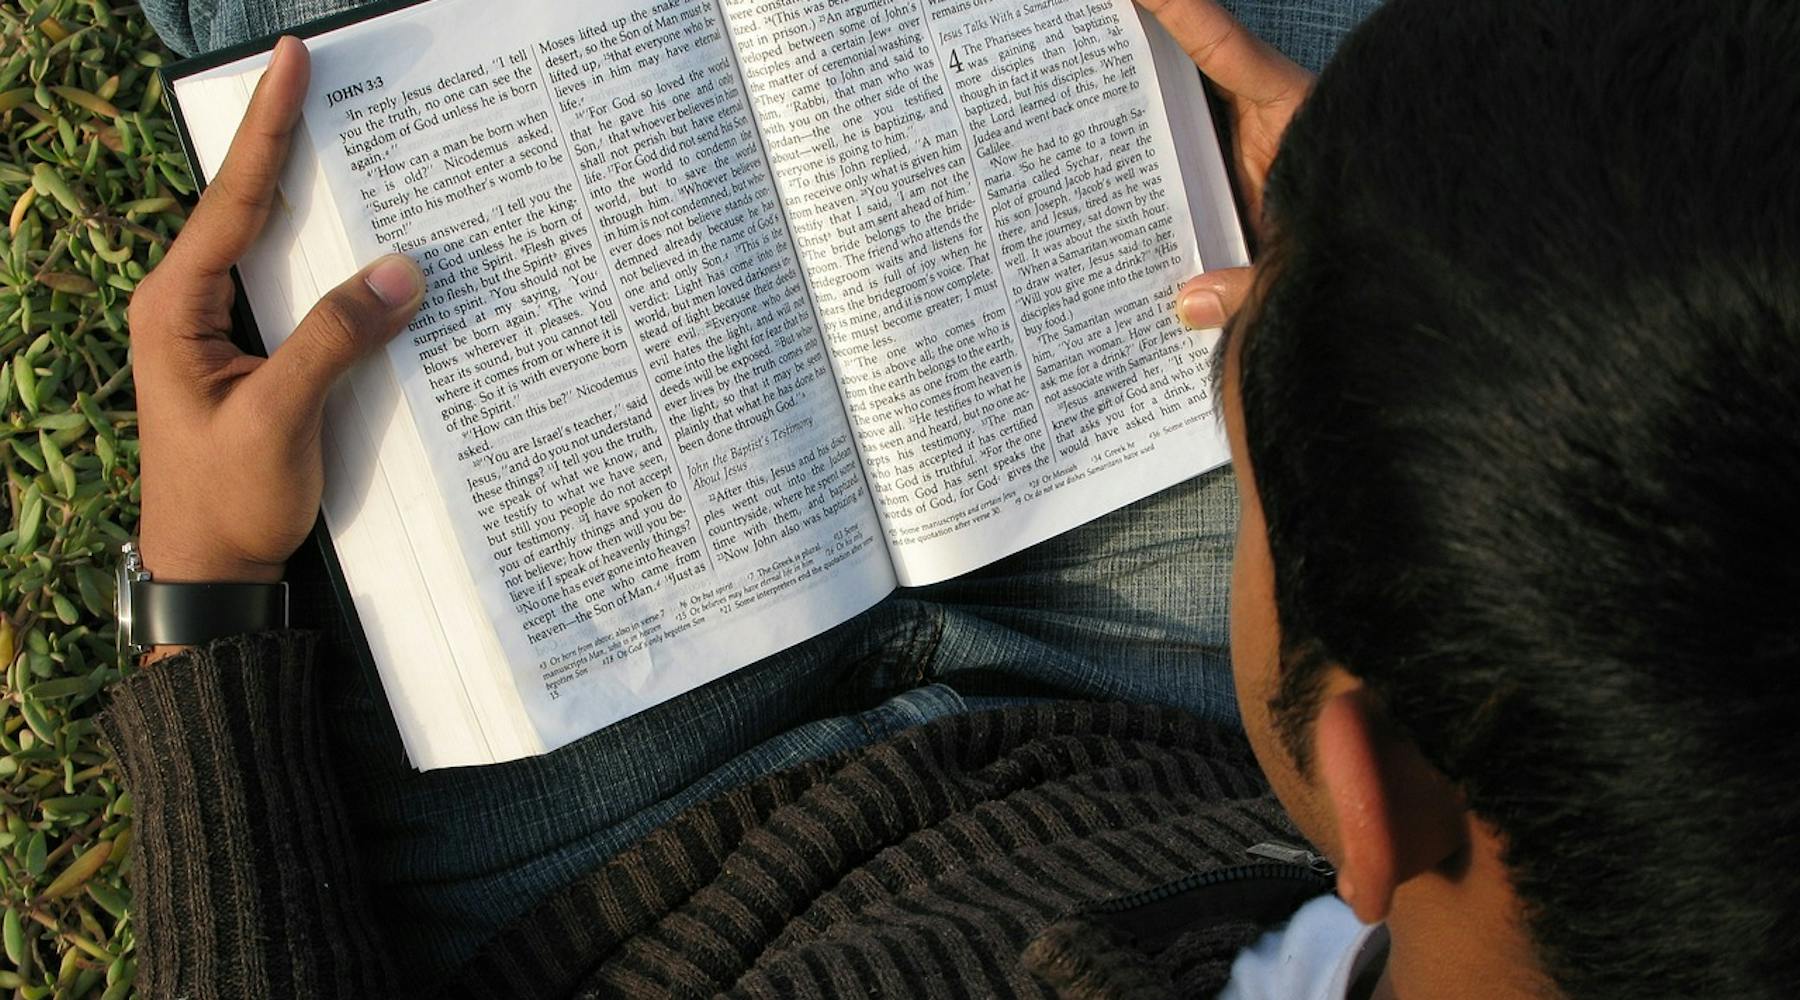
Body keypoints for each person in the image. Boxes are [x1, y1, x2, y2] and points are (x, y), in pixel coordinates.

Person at [108, 0, 1799, 998]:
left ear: (1376, 785)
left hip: (632, 846)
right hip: (1175, 728)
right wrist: (1393, 273)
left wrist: (203, 606)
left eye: (1273, 433)